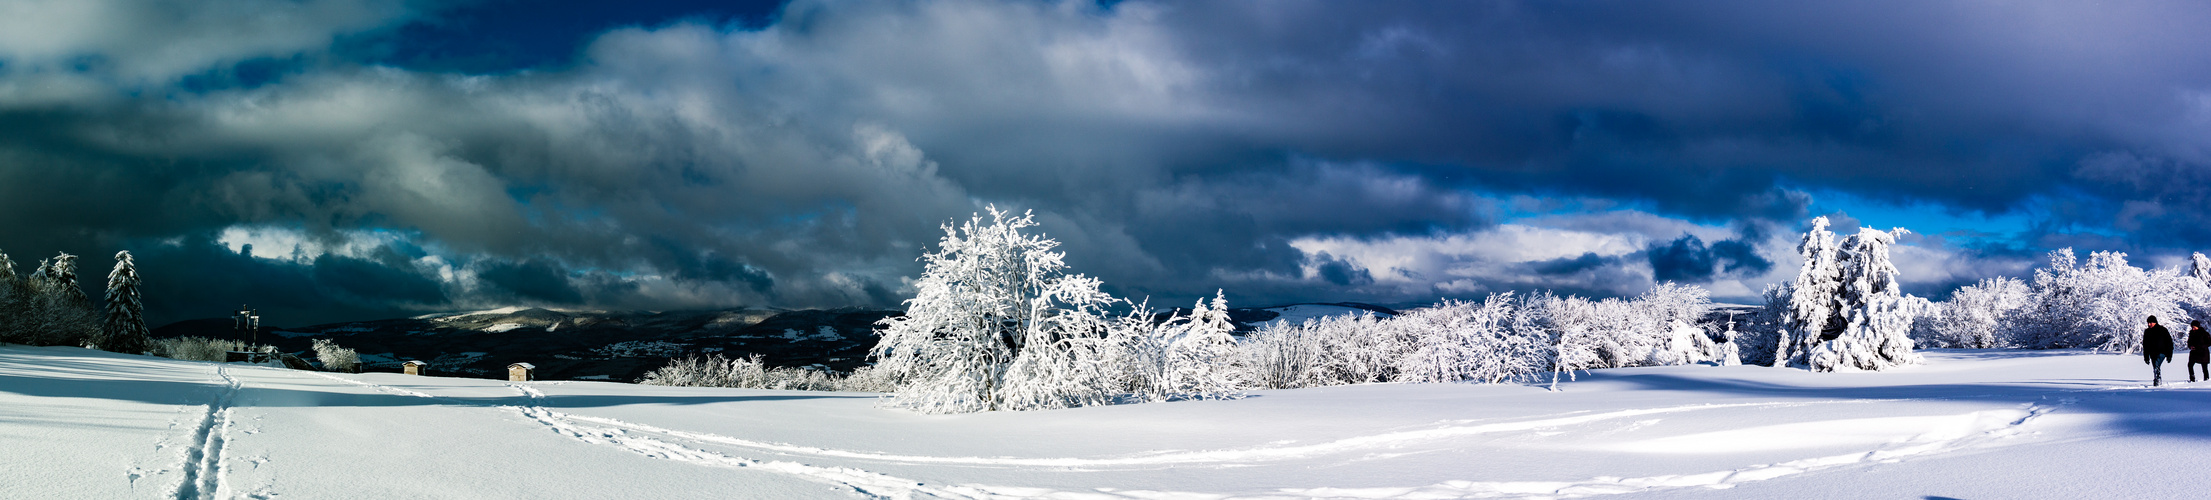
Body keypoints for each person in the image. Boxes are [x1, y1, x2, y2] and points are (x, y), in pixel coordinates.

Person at [2145, 316, 2175, 387]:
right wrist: (2146, 357)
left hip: (2162, 352)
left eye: (2151, 323)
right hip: (2152, 353)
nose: (2149, 324)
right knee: (2155, 367)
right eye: (2148, 323)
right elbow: (2145, 345)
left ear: (2155, 322)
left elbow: (2169, 342)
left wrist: (2169, 355)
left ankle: (2157, 381)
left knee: (2156, 365)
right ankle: (2157, 380)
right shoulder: (2147, 332)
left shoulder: (2162, 330)